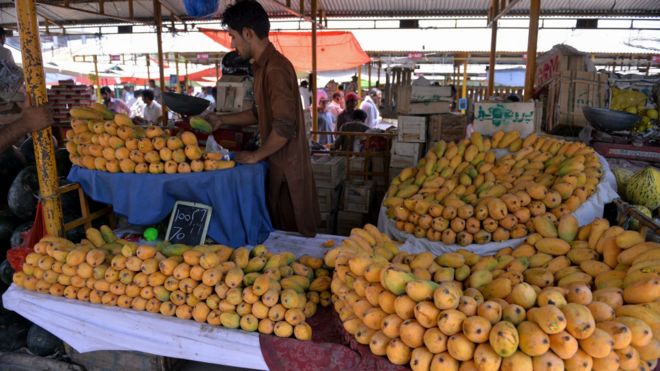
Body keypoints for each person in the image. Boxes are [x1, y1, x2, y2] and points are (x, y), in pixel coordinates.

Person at [202, 0, 319, 237]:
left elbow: (284, 127)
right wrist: (222, 121)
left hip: (288, 170)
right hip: (277, 164)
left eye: (233, 36)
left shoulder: (275, 69)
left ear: (248, 33)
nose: (232, 44)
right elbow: (259, 113)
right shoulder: (262, 68)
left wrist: (255, 155)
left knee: (290, 238)